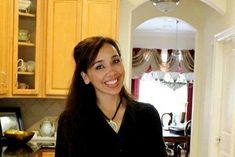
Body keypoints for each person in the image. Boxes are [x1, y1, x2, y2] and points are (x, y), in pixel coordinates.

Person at [55, 36, 167, 157]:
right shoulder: (70, 121)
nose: (112, 72)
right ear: (85, 77)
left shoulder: (148, 115)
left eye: (115, 61)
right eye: (99, 66)